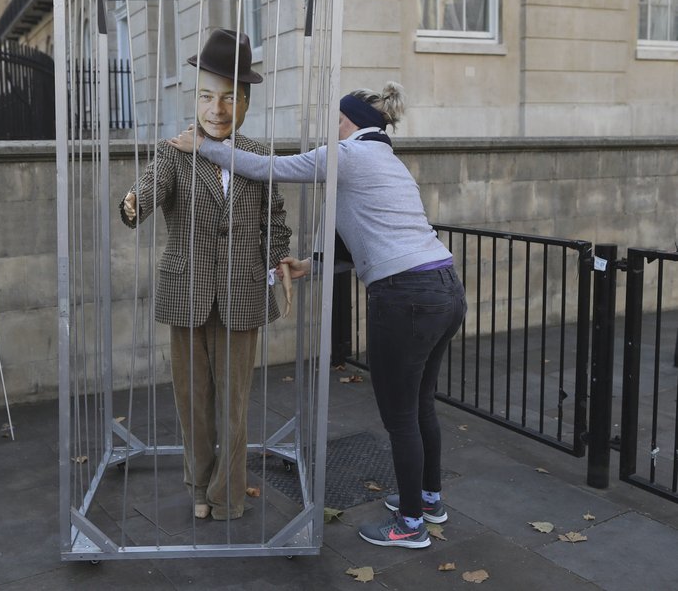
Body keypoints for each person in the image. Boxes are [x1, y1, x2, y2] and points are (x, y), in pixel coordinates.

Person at [170, 81, 466, 548]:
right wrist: (311, 265)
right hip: (445, 288)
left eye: (335, 116)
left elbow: (269, 168)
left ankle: (410, 526)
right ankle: (428, 499)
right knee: (421, 404)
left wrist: (204, 147)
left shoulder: (346, 154)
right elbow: (366, 236)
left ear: (347, 121)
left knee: (401, 416)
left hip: (406, 296)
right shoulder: (386, 160)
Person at [120, 29, 291, 521]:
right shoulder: (175, 150)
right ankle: (198, 484)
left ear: (245, 104)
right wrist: (135, 203)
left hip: (241, 296)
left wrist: (279, 262)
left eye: (229, 98)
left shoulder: (257, 153)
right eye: (207, 97)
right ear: (195, 98)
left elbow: (273, 217)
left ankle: (227, 495)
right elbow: (151, 186)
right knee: (193, 401)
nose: (217, 109)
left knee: (234, 406)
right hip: (186, 294)